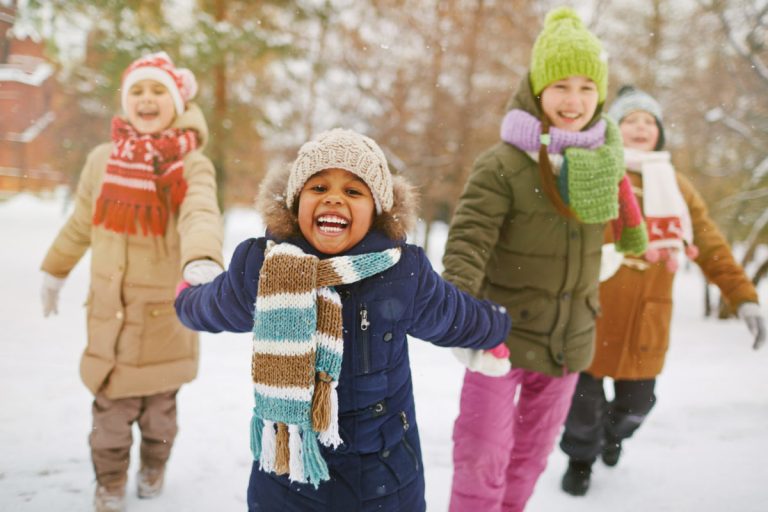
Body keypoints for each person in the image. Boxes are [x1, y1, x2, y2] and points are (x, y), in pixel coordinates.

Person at [173, 128, 512, 511]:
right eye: (318, 188)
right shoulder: (264, 267)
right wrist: (187, 298)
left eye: (353, 192)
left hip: (386, 479)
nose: (334, 197)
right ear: (295, 202)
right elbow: (216, 305)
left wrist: (495, 328)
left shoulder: (403, 274)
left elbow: (456, 315)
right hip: (289, 477)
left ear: (378, 210)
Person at [443, 7, 649, 511]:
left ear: (600, 92)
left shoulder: (605, 159)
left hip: (568, 342)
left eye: (586, 86)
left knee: (530, 458)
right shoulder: (503, 164)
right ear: (537, 89)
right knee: (482, 456)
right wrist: (460, 319)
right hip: (498, 339)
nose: (574, 100)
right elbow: (469, 242)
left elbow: (623, 224)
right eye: (560, 86)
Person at [558, 85, 767, 496]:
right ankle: (580, 458)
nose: (639, 128)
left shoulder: (678, 187)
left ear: (659, 133)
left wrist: (743, 297)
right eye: (630, 120)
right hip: (593, 311)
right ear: (614, 129)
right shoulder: (595, 171)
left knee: (637, 402)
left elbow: (709, 244)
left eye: (648, 121)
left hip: (646, 318)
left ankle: (614, 437)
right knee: (581, 402)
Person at [39, 52, 224, 512]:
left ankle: (154, 466)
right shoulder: (103, 160)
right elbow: (83, 222)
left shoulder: (190, 164)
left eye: (158, 90)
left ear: (177, 101)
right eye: (137, 91)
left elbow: (200, 211)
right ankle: (110, 480)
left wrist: (201, 258)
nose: (146, 98)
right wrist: (54, 268)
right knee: (109, 418)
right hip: (110, 317)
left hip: (163, 318)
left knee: (160, 415)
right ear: (124, 102)